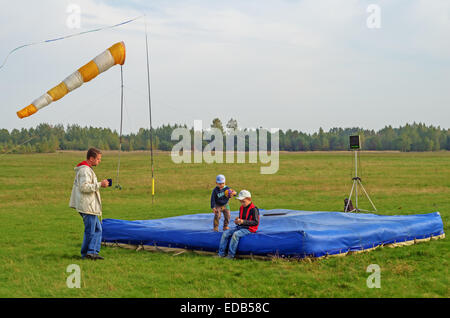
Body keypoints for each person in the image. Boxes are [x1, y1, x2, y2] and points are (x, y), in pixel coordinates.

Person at [69, 147, 109, 260]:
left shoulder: (87, 169)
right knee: (90, 231)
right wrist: (100, 184)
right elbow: (84, 187)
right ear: (91, 158)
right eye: (98, 159)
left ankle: (92, 252)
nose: (99, 161)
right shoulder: (84, 170)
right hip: (87, 206)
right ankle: (86, 254)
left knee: (97, 229)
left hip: (89, 205)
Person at [217, 190, 259, 259]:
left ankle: (231, 256)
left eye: (243, 201)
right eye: (240, 201)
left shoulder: (254, 209)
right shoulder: (241, 208)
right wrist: (238, 221)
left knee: (235, 234)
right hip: (241, 227)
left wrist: (243, 221)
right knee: (225, 233)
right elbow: (241, 219)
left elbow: (256, 222)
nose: (242, 203)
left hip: (249, 229)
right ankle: (221, 254)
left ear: (249, 199)